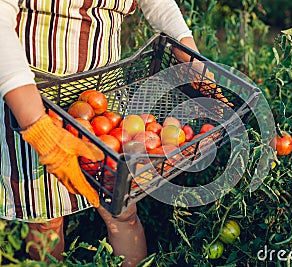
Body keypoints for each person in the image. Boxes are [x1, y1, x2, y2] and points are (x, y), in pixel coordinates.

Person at [0, 0, 203, 266]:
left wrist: (199, 70)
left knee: (122, 212)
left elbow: (158, 4)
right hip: (34, 101)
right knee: (45, 222)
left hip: (104, 101)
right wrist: (38, 128)